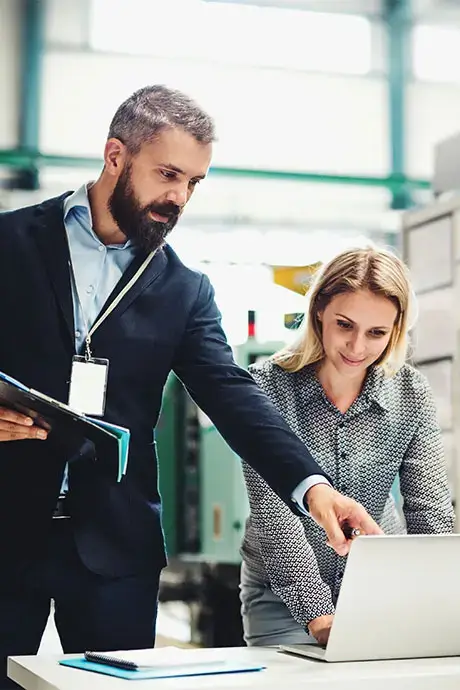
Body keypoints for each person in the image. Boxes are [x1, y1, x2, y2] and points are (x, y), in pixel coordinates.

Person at [0, 85, 380, 687]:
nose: (178, 197)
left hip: (114, 547)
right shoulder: (10, 242)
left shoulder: (183, 288)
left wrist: (312, 488)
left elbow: (233, 394)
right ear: (115, 156)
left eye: (194, 183)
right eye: (168, 174)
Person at [239, 245, 455, 648]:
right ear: (319, 310)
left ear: (397, 329)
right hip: (283, 595)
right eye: (345, 325)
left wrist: (435, 599)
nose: (357, 348)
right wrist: (321, 620)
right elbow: (276, 519)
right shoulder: (265, 387)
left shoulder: (411, 393)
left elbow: (429, 508)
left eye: (376, 333)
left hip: (378, 587)